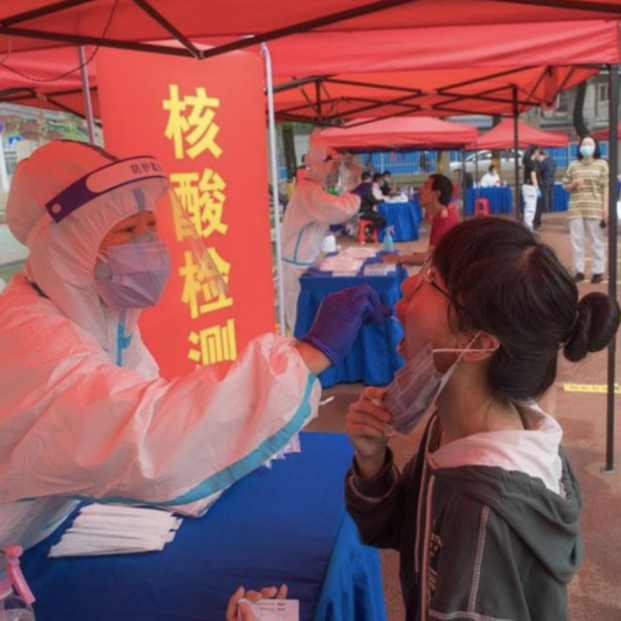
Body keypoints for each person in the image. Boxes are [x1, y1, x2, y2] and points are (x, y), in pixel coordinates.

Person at [0, 140, 387, 550]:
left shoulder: (98, 317)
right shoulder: (33, 340)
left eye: (150, 225)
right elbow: (143, 433)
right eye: (128, 230)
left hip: (38, 536)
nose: (149, 243)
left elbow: (149, 392)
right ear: (69, 248)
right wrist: (306, 357)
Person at [345, 217, 620, 621]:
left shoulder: (484, 517)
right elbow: (403, 530)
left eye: (429, 280)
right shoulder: (454, 429)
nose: (406, 286)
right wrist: (372, 464)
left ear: (476, 344)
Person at [281, 136, 361, 331]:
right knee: (300, 317)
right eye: (335, 167)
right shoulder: (309, 191)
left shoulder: (314, 189)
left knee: (306, 314)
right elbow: (339, 209)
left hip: (304, 260)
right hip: (297, 264)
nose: (335, 172)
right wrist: (354, 189)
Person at [382, 174, 460, 266]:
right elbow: (433, 255)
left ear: (436, 194)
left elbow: (429, 258)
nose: (420, 190)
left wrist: (399, 259)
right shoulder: (441, 216)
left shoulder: (445, 220)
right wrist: (408, 258)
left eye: (425, 186)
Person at [562, 135, 608, 283]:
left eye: (590, 144)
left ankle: (598, 271)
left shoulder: (602, 164)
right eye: (584, 143)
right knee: (577, 241)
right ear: (580, 147)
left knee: (597, 240)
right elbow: (565, 186)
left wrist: (605, 209)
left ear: (595, 147)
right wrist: (573, 184)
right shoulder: (573, 165)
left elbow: (606, 187)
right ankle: (579, 270)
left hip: (595, 207)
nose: (587, 146)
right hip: (576, 208)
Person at [352, 171, 387, 241]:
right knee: (383, 219)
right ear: (369, 178)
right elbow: (373, 200)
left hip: (359, 212)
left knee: (377, 215)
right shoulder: (367, 188)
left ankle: (366, 230)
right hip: (365, 212)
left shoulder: (359, 187)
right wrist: (382, 200)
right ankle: (369, 230)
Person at [534, 149, 557, 230]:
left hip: (543, 184)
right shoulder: (552, 161)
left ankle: (537, 222)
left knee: (539, 203)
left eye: (538, 157)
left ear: (541, 155)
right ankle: (546, 209)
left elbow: (539, 171)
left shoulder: (544, 162)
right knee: (545, 200)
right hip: (549, 183)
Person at [521, 144, 541, 231]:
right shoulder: (532, 163)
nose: (539, 153)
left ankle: (527, 225)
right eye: (538, 151)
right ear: (535, 151)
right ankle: (528, 227)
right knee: (531, 208)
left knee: (527, 207)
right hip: (530, 187)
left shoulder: (527, 162)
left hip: (526, 186)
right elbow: (533, 177)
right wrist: (537, 189)